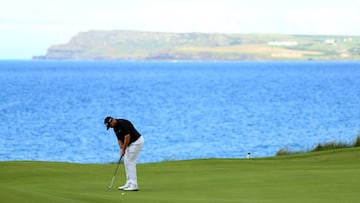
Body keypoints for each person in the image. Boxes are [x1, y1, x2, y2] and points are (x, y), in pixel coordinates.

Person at [104, 116, 144, 191]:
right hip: (130, 144)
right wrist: (121, 149)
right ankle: (129, 183)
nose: (111, 127)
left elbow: (127, 137)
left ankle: (134, 185)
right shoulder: (115, 128)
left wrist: (124, 149)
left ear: (112, 121)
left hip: (136, 142)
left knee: (130, 162)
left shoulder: (123, 123)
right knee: (126, 161)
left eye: (110, 125)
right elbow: (119, 140)